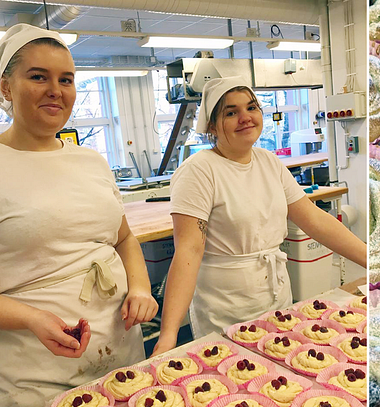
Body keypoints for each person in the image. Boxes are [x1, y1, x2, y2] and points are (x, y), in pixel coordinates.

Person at [0, 24, 158, 407]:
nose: (56, 89)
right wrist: (32, 318)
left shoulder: (90, 160)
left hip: (121, 355)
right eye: (38, 77)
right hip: (35, 371)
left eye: (66, 79)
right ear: (5, 88)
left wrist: (139, 288)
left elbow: (124, 240)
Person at [153, 76, 367, 354]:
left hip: (275, 294)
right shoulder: (199, 171)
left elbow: (314, 220)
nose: (245, 118)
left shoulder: (269, 162)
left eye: (251, 108)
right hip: (225, 304)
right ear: (211, 126)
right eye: (231, 112)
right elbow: (188, 251)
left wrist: (371, 261)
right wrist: (168, 337)